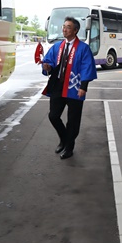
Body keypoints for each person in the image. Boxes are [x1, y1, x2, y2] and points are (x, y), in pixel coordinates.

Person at [41, 17, 97, 160]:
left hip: (74, 87)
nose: (64, 29)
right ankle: (64, 138)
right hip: (58, 86)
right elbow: (49, 62)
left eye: (68, 27)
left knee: (73, 121)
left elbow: (87, 68)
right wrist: (47, 67)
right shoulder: (57, 47)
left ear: (75, 30)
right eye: (64, 26)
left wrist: (83, 87)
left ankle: (69, 147)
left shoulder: (83, 48)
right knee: (53, 116)